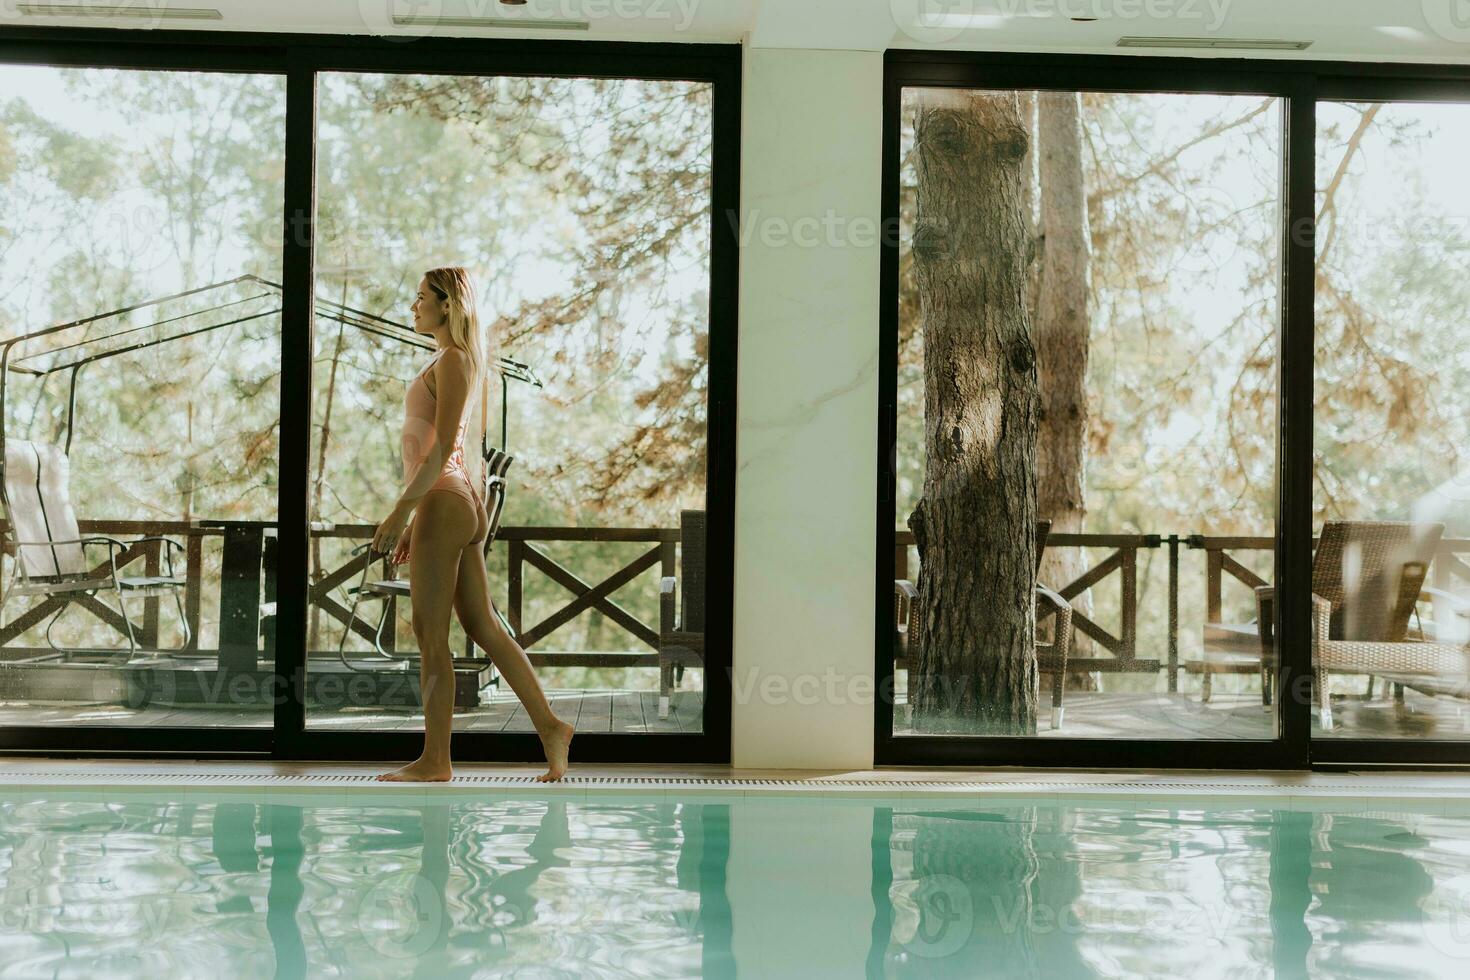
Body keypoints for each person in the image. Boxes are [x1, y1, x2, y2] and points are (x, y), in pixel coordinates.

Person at [371, 266, 573, 783]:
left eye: (421, 299)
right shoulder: (448, 359)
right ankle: (551, 727)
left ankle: (436, 760)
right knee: (482, 625)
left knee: (429, 633)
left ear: (448, 306)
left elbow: (442, 449)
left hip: (445, 497)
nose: (413, 307)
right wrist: (422, 516)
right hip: (448, 500)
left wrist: (403, 510)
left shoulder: (455, 360)